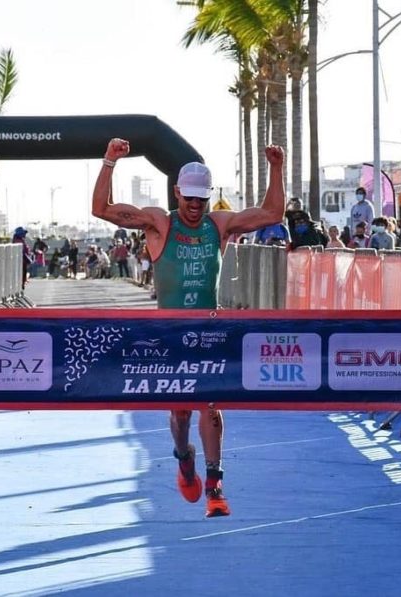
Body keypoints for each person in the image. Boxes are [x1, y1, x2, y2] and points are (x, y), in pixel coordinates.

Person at [92, 137, 285, 518]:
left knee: (210, 407)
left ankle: (215, 485)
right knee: (180, 415)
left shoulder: (218, 225)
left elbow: (271, 214)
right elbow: (102, 209)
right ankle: (184, 459)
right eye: (190, 198)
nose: (195, 206)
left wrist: (276, 168)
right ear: (177, 192)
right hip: (170, 336)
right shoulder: (159, 223)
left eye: (202, 200)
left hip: (208, 333)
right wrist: (110, 161)